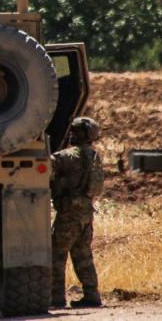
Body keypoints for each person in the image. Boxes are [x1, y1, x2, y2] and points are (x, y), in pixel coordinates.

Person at [50, 116, 104, 308]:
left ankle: (55, 297)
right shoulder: (95, 156)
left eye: (75, 131)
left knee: (56, 255)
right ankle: (92, 295)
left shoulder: (68, 156)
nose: (72, 134)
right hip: (86, 213)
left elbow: (46, 165)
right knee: (83, 256)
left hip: (69, 213)